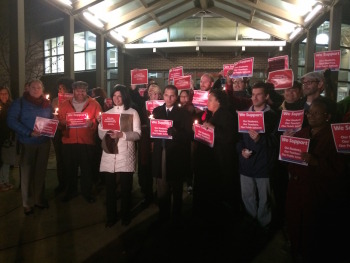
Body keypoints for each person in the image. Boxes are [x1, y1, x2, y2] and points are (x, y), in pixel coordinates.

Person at [286, 97, 349, 263]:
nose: (310, 116)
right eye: (309, 112)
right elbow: (290, 161)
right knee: (295, 223)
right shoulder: (302, 133)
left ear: (327, 116)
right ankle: (295, 248)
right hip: (297, 190)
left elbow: (341, 170)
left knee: (313, 229)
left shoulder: (336, 137)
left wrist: (316, 162)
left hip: (317, 194)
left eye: (316, 113)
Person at [193, 89, 240, 221]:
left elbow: (229, 137)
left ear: (218, 101)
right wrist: (198, 130)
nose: (207, 102)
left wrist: (213, 128)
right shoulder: (212, 114)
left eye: (210, 99)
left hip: (221, 161)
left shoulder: (226, 115)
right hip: (212, 161)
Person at [236, 81, 279, 229]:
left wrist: (261, 139)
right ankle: (251, 222)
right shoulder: (244, 114)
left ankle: (263, 225)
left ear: (266, 96)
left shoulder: (273, 116)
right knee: (247, 196)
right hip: (246, 164)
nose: (254, 98)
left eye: (258, 94)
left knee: (264, 198)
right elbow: (238, 138)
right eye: (253, 94)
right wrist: (241, 150)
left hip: (263, 164)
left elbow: (276, 140)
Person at [98, 85, 141, 227]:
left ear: (125, 97)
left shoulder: (132, 112)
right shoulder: (107, 113)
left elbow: (138, 134)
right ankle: (111, 217)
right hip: (109, 154)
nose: (116, 99)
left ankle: (125, 216)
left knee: (125, 188)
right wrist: (101, 125)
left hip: (125, 154)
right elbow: (101, 135)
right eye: (114, 96)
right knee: (110, 189)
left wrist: (122, 134)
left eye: (119, 96)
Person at [7, 80, 52, 215]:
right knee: (26, 173)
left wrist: (53, 124)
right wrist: (28, 132)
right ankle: (27, 203)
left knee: (40, 173)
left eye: (39, 87)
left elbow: (50, 119)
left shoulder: (47, 104)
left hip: (44, 142)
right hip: (27, 142)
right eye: (33, 87)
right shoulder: (19, 103)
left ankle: (38, 199)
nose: (36, 89)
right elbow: (11, 121)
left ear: (42, 89)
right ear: (28, 88)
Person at [151, 85, 192, 225]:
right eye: (167, 95)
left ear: (176, 97)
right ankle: (163, 215)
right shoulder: (156, 111)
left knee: (176, 186)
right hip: (161, 152)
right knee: (162, 187)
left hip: (176, 155)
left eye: (172, 95)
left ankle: (176, 216)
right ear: (163, 95)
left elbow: (189, 135)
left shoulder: (184, 113)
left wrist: (177, 133)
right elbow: (152, 134)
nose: (169, 98)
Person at [57, 81, 101, 203]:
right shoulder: (65, 104)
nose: (80, 93)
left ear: (86, 91)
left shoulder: (94, 104)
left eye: (83, 90)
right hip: (68, 141)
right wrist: (62, 123)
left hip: (86, 141)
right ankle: (71, 191)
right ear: (73, 91)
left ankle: (86, 192)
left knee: (87, 169)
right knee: (70, 169)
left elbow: (99, 121)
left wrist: (92, 123)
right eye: (77, 90)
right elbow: (59, 119)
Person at [51, 77, 74, 195]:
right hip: (58, 132)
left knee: (69, 159)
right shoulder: (55, 100)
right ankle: (62, 183)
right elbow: (52, 114)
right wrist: (54, 117)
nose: (60, 90)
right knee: (60, 159)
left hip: (70, 132)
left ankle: (71, 184)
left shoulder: (74, 100)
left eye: (63, 88)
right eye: (59, 88)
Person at [0, 86, 15, 192]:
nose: (4, 96)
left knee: (6, 160)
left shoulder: (11, 106)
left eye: (6, 93)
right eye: (1, 94)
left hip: (8, 138)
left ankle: (5, 180)